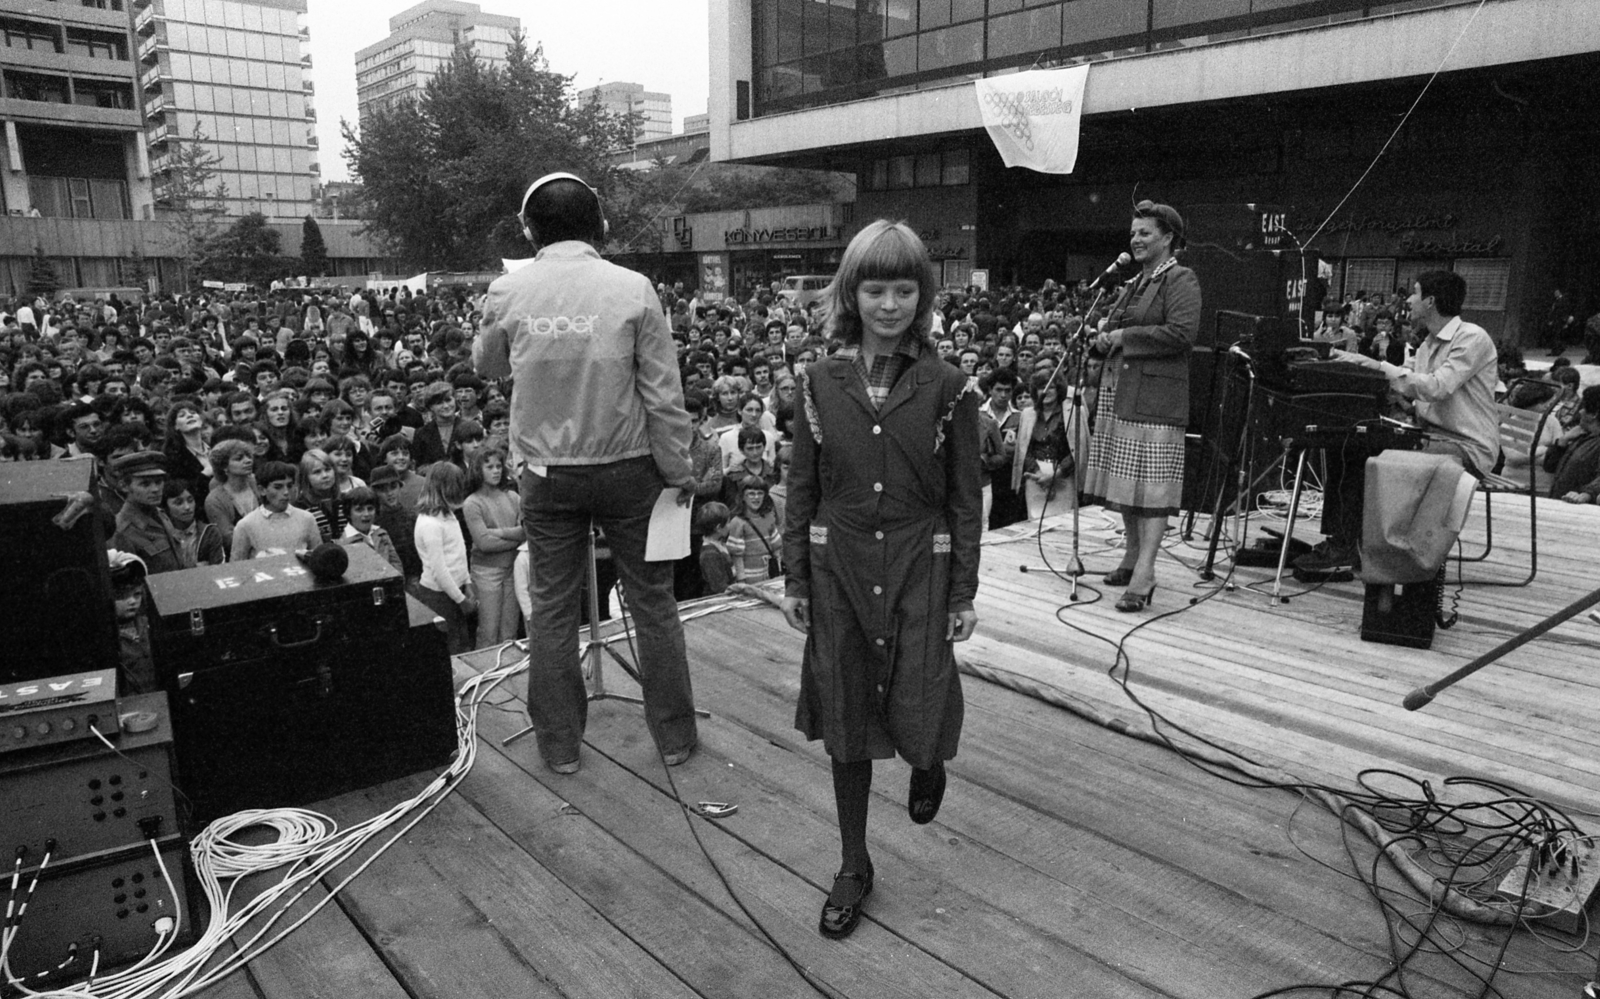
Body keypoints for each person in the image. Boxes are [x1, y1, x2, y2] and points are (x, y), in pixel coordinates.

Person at [779, 220, 982, 941]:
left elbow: (965, 497)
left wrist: (964, 591)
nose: (889, 303)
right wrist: (794, 576)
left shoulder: (951, 386)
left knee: (920, 696)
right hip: (838, 568)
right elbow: (801, 486)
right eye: (875, 287)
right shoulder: (817, 380)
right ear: (852, 293)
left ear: (922, 295)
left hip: (920, 566)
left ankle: (928, 762)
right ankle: (853, 861)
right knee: (847, 717)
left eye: (903, 288)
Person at [473, 171, 699, 775]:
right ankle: (675, 739)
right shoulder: (634, 287)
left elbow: (488, 365)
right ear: (600, 225)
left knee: (550, 608)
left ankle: (559, 746)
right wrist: (679, 470)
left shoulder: (508, 290)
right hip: (631, 470)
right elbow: (663, 391)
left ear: (528, 228)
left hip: (547, 476)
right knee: (652, 603)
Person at [1318, 271, 1500, 570]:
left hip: (1468, 446)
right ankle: (1343, 541)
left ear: (1430, 301)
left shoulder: (1471, 338)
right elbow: (1406, 380)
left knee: (1378, 457)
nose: (1409, 300)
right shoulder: (1429, 343)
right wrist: (1361, 367)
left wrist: (1378, 368)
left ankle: (1364, 548)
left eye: (1414, 294)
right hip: (1432, 435)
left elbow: (1436, 387)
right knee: (1350, 445)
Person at [1082, 200, 1202, 610]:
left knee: (1151, 489)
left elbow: (1182, 334)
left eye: (1145, 233)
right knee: (1128, 484)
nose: (1136, 239)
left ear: (1168, 239)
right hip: (1123, 394)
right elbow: (1121, 330)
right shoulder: (1135, 282)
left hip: (1155, 400)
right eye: (1133, 233)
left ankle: (1146, 572)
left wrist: (1122, 338)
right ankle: (1132, 557)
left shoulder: (1180, 279)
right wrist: (1105, 336)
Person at [462, 442, 525, 647]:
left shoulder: (513, 497)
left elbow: (527, 531)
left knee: (509, 632)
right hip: (486, 573)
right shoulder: (472, 502)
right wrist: (515, 539)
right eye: (489, 467)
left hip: (512, 570)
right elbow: (484, 543)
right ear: (478, 470)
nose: (496, 471)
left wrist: (497, 532)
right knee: (488, 632)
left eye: (498, 466)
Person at [413, 461, 476, 654]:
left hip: (456, 591)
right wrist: (461, 600)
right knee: (450, 648)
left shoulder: (448, 515)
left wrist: (468, 583)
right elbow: (439, 571)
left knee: (463, 642)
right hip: (438, 595)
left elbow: (459, 554)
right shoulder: (430, 524)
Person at [230, 460, 322, 561]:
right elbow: (237, 566)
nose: (286, 492)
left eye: (289, 486)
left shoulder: (307, 518)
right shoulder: (246, 525)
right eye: (278, 487)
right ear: (262, 490)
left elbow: (319, 558)